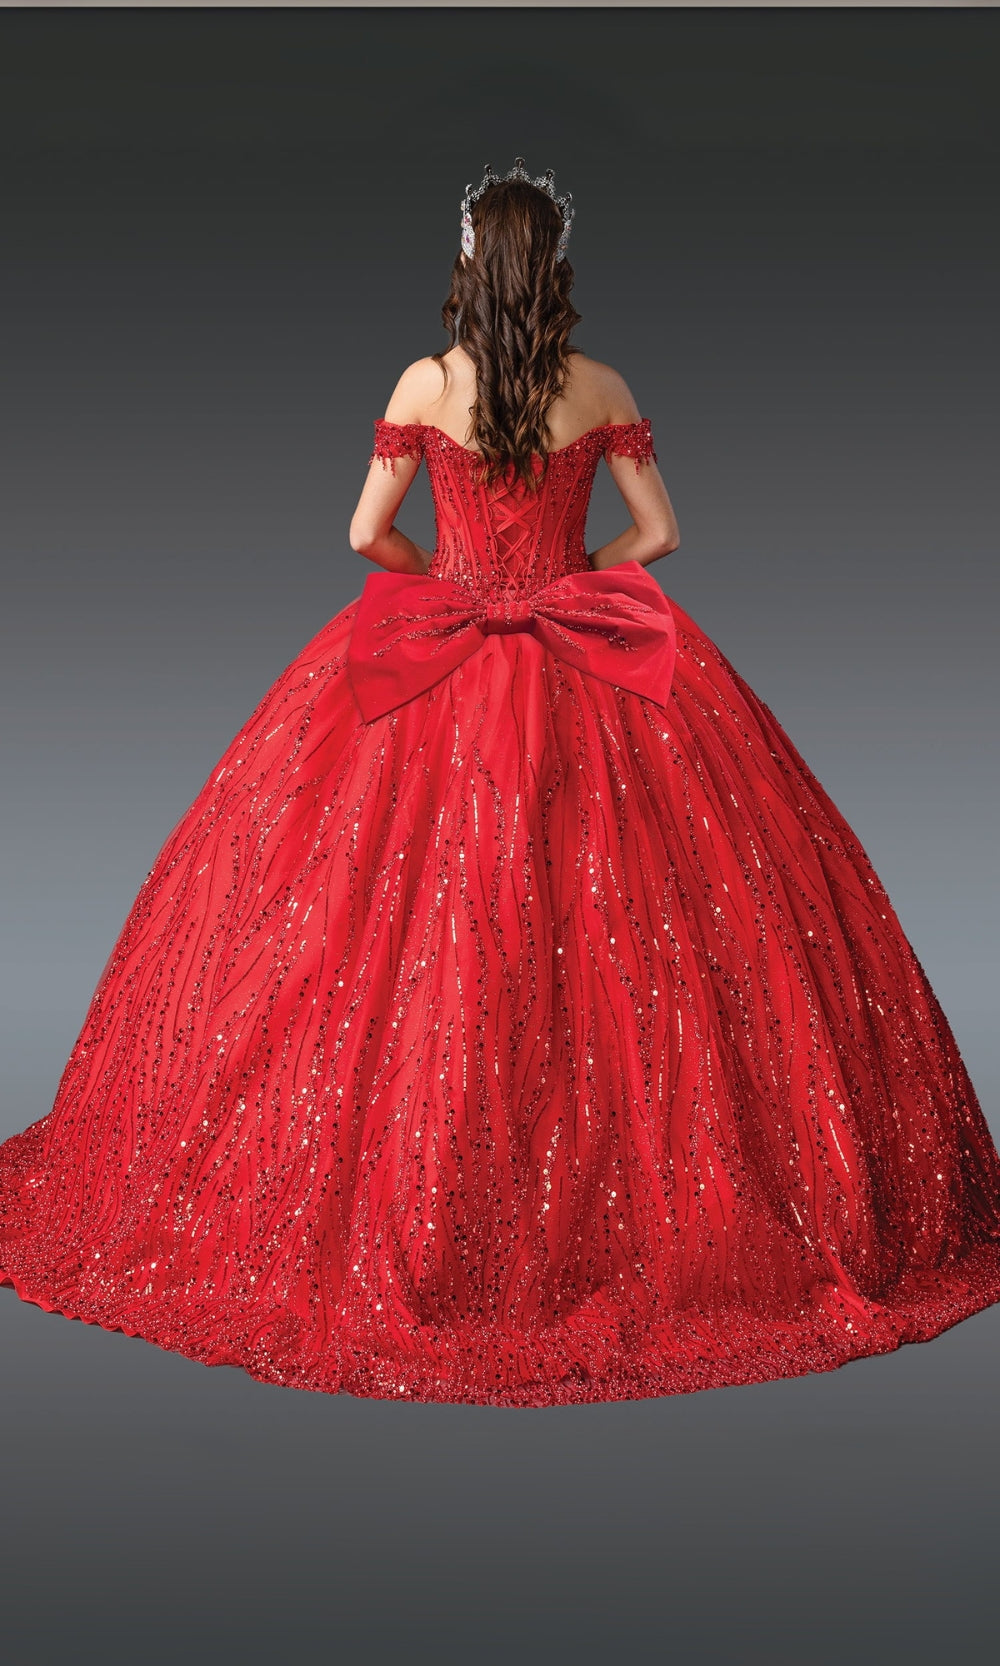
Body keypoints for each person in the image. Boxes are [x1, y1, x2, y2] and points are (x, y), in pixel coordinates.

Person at [2, 157, 999, 1408]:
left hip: (445, 653)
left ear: (469, 266)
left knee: (352, 936)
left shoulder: (426, 384)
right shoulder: (602, 385)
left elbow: (366, 534)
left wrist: (451, 578)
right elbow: (665, 534)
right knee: (660, 934)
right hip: (592, 651)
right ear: (560, 266)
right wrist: (580, 569)